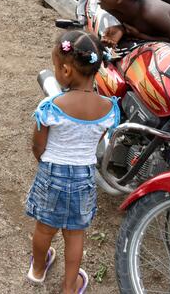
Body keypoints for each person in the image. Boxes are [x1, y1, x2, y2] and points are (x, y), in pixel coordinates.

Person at [25, 30, 118, 293]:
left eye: (56, 67)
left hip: (52, 173)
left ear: (66, 71)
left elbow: (38, 145)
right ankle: (70, 286)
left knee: (45, 228)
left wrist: (43, 161)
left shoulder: (51, 106)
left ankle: (38, 270)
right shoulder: (108, 108)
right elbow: (98, 139)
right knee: (75, 233)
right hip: (83, 176)